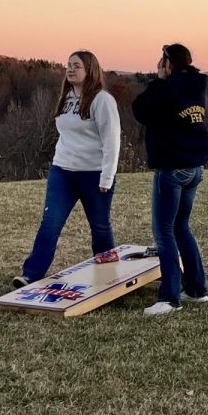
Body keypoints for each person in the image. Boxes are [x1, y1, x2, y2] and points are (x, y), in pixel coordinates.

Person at [14, 50, 121, 288]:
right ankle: (31, 274)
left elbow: (112, 140)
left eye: (77, 66)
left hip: (94, 174)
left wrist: (107, 177)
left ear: (90, 70)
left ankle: (107, 275)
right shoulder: (66, 97)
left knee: (100, 226)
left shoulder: (102, 100)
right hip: (63, 171)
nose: (70, 69)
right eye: (68, 65)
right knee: (50, 222)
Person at [131, 43, 208, 316]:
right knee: (182, 227)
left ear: (168, 64)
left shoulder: (166, 89)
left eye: (161, 62)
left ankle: (169, 297)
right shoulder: (196, 87)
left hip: (172, 168)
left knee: (164, 231)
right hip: (195, 167)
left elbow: (140, 109)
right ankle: (197, 289)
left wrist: (158, 81)